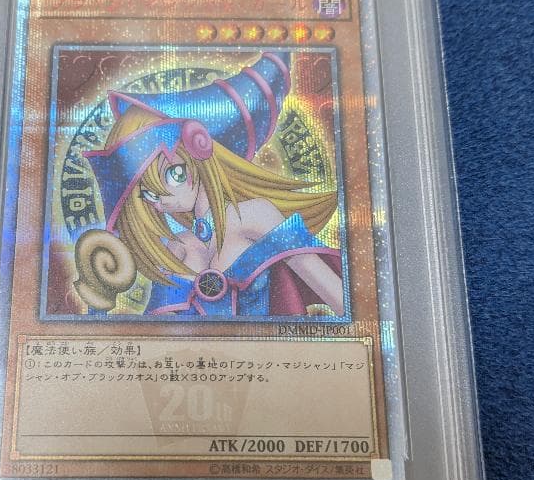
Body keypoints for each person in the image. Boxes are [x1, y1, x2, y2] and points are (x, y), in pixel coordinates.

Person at [77, 51, 343, 318]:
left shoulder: (255, 215)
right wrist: (98, 303)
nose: (161, 201)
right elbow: (159, 331)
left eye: (172, 175)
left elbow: (339, 298)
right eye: (148, 194)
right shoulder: (178, 247)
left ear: (199, 151)